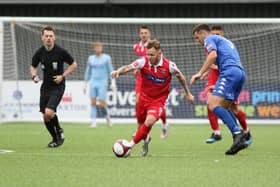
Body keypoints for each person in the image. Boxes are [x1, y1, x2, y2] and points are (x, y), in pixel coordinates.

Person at [111, 40, 194, 156]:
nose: (149, 57)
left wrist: (188, 93)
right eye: (147, 54)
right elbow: (128, 67)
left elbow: (180, 77)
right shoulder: (143, 62)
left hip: (158, 100)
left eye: (152, 55)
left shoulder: (169, 66)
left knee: (149, 121)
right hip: (143, 99)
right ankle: (145, 141)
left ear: (159, 53)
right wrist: (118, 71)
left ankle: (129, 146)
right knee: (141, 127)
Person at [190, 24, 248, 155]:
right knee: (225, 106)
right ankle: (239, 139)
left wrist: (200, 73)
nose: (197, 41)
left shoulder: (209, 38)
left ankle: (237, 133)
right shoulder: (226, 40)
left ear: (202, 33)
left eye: (196, 37)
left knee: (212, 104)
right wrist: (208, 72)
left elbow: (212, 55)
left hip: (229, 73)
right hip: (240, 73)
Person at [203, 25, 252, 145]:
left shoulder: (225, 46)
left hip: (228, 76)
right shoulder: (211, 45)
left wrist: (201, 72)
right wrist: (207, 71)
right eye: (213, 33)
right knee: (210, 102)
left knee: (232, 108)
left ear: (222, 35)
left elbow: (220, 61)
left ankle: (245, 131)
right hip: (216, 78)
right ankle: (217, 132)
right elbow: (212, 60)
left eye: (218, 34)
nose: (215, 36)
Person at [30, 26, 77, 148]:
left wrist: (63, 76)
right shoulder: (40, 52)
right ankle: (55, 138)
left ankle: (59, 131)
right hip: (45, 87)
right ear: (42, 38)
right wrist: (34, 76)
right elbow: (33, 66)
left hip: (58, 86)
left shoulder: (60, 51)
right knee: (46, 117)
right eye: (46, 36)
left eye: (51, 36)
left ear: (54, 37)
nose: (49, 38)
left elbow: (74, 64)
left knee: (49, 112)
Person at [133, 25, 169, 139]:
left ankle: (164, 123)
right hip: (141, 78)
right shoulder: (136, 47)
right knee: (138, 102)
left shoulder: (153, 46)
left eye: (145, 33)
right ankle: (141, 131)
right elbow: (139, 62)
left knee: (155, 103)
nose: (143, 35)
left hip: (153, 77)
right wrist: (136, 68)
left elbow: (161, 60)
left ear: (149, 34)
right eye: (141, 33)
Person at [84, 41, 116, 128]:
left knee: (102, 104)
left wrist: (113, 83)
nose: (98, 49)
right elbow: (88, 72)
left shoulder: (106, 58)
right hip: (93, 82)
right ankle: (93, 121)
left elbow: (111, 70)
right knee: (93, 102)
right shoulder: (90, 58)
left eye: (99, 47)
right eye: (96, 47)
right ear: (94, 48)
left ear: (101, 48)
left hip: (103, 82)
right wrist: (85, 84)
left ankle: (107, 118)